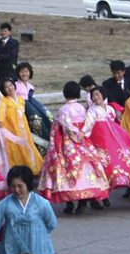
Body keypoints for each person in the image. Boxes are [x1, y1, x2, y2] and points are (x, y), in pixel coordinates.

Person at [39, 82, 112, 214]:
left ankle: (69, 203)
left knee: (65, 168)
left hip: (67, 142)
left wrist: (71, 135)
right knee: (86, 166)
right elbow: (88, 124)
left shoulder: (63, 110)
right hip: (83, 141)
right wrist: (81, 135)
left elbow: (66, 126)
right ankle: (83, 199)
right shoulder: (82, 109)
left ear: (65, 94)